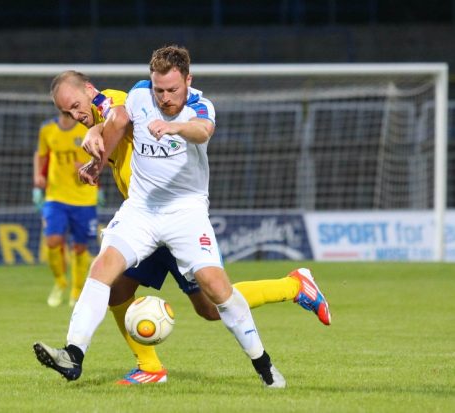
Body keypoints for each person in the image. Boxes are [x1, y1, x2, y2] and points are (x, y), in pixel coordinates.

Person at [34, 55, 330, 386]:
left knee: (212, 306)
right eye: (67, 113)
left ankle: (293, 286)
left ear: (89, 90)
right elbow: (120, 123)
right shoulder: (131, 101)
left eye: (76, 105)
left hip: (180, 217)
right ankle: (128, 363)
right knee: (113, 286)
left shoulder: (117, 100)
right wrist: (98, 154)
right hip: (143, 216)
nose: (75, 116)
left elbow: (116, 113)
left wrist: (102, 131)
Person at [33, 112, 98, 307]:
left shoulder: (87, 128)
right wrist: (38, 180)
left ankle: (77, 291)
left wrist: (88, 167)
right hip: (56, 196)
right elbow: (41, 154)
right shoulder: (47, 129)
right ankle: (60, 282)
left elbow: (103, 156)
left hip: (84, 198)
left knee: (80, 247)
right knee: (53, 240)